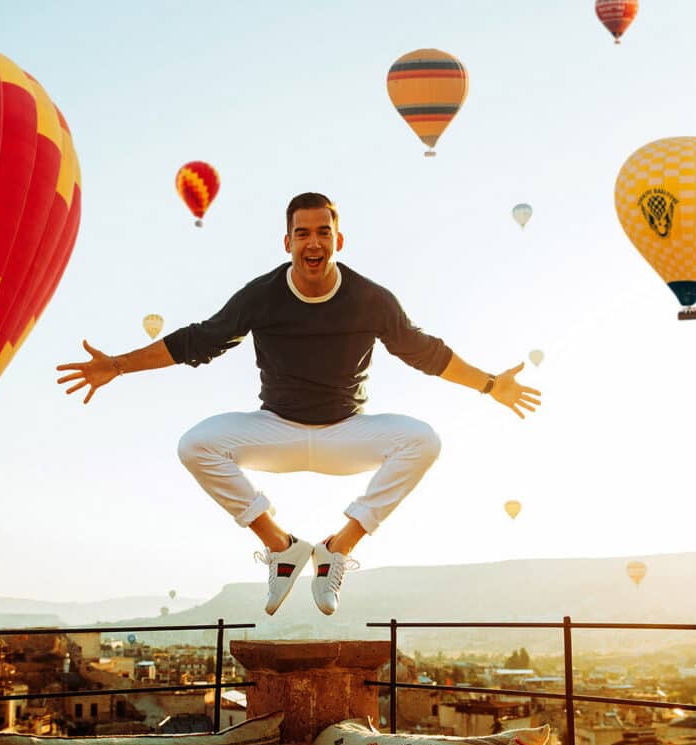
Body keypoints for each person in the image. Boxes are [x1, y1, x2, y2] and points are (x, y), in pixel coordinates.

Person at [57, 193, 540, 616]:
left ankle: (336, 550)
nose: (314, 243)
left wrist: (491, 384)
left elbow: (423, 351)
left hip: (346, 434)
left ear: (339, 241)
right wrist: (116, 365)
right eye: (303, 233)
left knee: (423, 440)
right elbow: (198, 341)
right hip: (276, 430)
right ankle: (281, 549)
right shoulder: (263, 295)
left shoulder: (370, 298)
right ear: (286, 242)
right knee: (195, 445)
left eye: (323, 233)